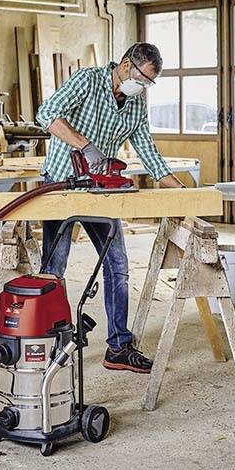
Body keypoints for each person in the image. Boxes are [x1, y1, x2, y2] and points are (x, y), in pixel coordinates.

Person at [36, 42, 185, 373]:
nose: (142, 86)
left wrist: (180, 190)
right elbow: (46, 114)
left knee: (117, 264)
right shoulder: (88, 81)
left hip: (100, 190)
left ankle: (118, 346)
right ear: (125, 64)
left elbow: (148, 149)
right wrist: (85, 146)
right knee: (54, 269)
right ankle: (51, 344)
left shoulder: (134, 105)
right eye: (141, 78)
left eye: (149, 83)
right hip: (62, 183)